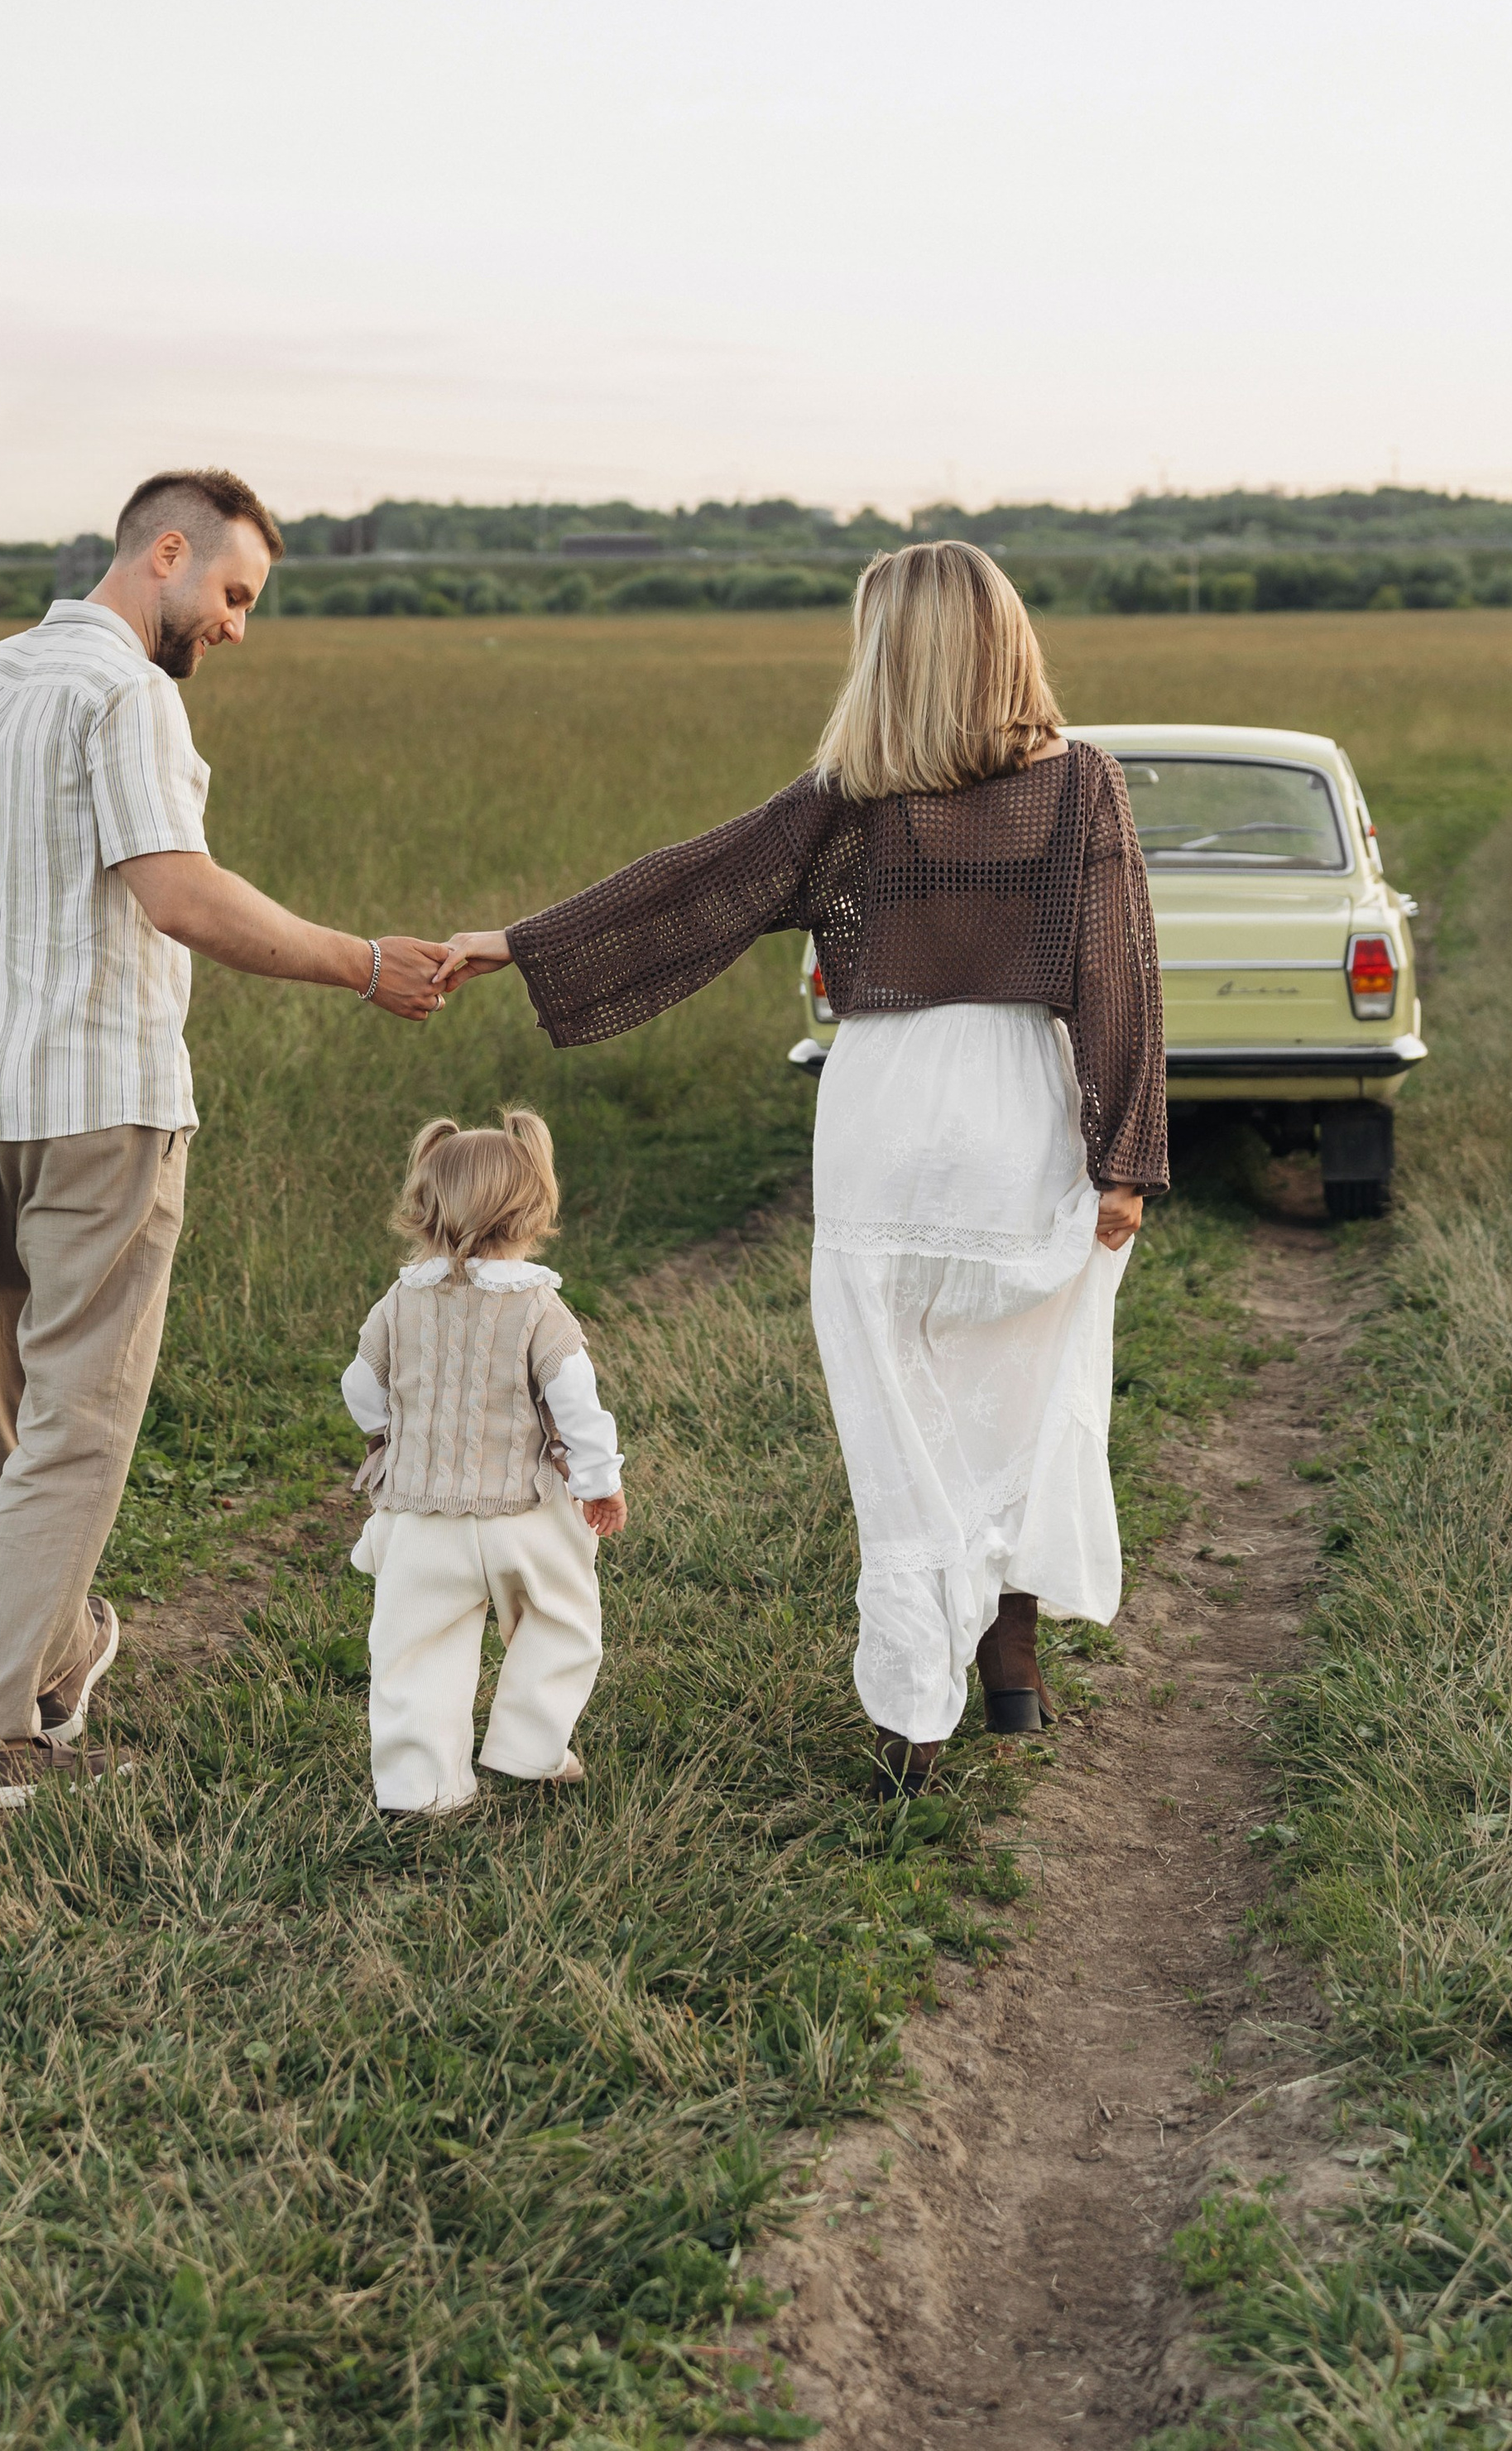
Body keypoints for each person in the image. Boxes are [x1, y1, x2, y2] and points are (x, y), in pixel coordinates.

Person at [0, 466, 457, 1819]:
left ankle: (58, 1657)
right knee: (76, 1424)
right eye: (234, 592)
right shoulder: (128, 695)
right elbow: (176, 892)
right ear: (165, 554)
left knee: (5, 1417)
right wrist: (363, 964)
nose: (238, 624)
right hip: (101, 1103)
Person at [433, 541, 1165, 1795]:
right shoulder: (1080, 785)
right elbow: (1118, 975)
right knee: (1020, 1395)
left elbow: (696, 890)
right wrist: (1124, 1159)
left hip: (883, 1114)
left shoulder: (852, 793)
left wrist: (523, 942)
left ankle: (914, 1716)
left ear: (889, 653)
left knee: (896, 1414)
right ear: (1006, 641)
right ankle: (1010, 1667)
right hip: (1013, 1114)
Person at [341, 1108, 626, 1815]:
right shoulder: (538, 1307)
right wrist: (599, 1483)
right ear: (532, 1207)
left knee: (414, 1647)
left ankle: (422, 1787)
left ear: (425, 1204)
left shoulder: (400, 1301)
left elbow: (361, 1385)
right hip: (525, 1517)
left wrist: (388, 1435)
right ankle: (529, 1746)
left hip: (422, 1520)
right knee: (562, 1620)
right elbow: (575, 1401)